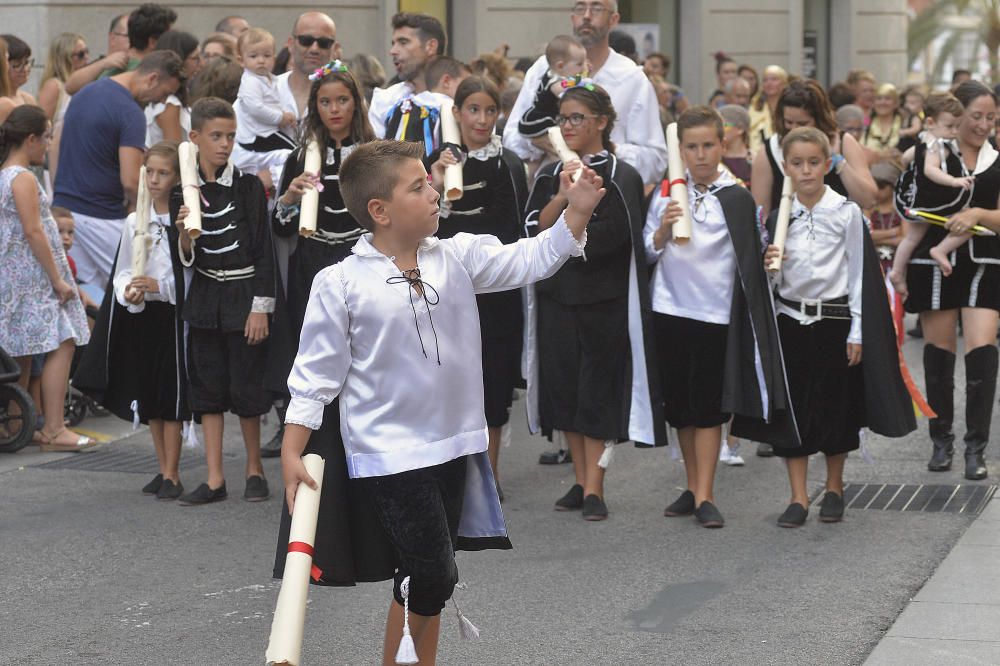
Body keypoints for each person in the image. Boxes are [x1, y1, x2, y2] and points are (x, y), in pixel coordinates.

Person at [275, 139, 600, 665]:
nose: (434, 193)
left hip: (455, 446)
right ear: (379, 211)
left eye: (430, 182)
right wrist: (293, 452)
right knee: (433, 572)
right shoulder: (339, 283)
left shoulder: (457, 256)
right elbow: (315, 376)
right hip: (389, 454)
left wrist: (576, 212)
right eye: (418, 186)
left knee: (424, 578)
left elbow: (531, 259)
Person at [645, 106, 792, 527]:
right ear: (681, 151)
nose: (701, 154)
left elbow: (753, 253)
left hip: (714, 314)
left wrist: (770, 257)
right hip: (670, 309)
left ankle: (707, 492)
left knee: (709, 408)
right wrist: (660, 232)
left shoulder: (738, 196)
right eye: (691, 147)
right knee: (681, 407)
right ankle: (691, 487)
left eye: (708, 145)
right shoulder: (666, 192)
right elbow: (647, 251)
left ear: (723, 146)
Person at [525, 82, 665, 520]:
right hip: (557, 297)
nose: (567, 126)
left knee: (596, 390)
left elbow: (618, 236)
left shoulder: (622, 173)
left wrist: (569, 237)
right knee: (564, 387)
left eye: (576, 118)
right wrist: (566, 197)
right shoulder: (551, 172)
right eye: (563, 118)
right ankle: (580, 479)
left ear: (601, 122)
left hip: (602, 298)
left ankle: (596, 486)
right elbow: (532, 228)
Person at [764, 127, 914, 527]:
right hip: (791, 320)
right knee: (794, 410)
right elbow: (773, 283)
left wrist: (858, 332)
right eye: (797, 163)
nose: (807, 171)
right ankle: (798, 496)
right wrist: (770, 269)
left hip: (834, 321)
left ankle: (833, 486)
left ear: (828, 164)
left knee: (836, 408)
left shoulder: (846, 213)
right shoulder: (781, 215)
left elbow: (859, 276)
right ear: (785, 166)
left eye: (814, 162)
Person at [262, 60, 376, 459]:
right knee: (314, 345)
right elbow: (280, 228)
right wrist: (290, 199)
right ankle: (311, 430)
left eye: (342, 100)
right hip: (314, 259)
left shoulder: (375, 155)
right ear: (316, 107)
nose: (334, 109)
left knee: (362, 344)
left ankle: (363, 428)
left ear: (356, 104)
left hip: (362, 257)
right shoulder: (301, 156)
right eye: (325, 102)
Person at [427, 76, 528, 496]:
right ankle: (447, 470)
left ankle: (489, 472)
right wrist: (437, 184)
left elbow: (509, 228)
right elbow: (423, 223)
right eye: (473, 110)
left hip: (493, 289)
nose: (482, 119)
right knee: (446, 377)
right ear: (456, 114)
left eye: (490, 110)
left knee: (492, 378)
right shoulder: (436, 160)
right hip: (445, 288)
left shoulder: (508, 163)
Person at [172, 97, 275, 505]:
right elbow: (183, 256)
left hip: (244, 294)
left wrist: (260, 307)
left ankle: (254, 468)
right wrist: (183, 231)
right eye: (216, 136)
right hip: (206, 296)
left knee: (247, 387)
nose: (224, 144)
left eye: (230, 136)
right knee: (208, 388)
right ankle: (215, 478)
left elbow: (263, 250)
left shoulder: (248, 186)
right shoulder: (184, 190)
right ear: (194, 138)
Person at [74, 142, 190, 499]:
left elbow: (188, 269)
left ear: (177, 177)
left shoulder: (181, 219)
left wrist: (160, 285)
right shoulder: (133, 220)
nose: (154, 180)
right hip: (144, 314)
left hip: (171, 312)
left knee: (170, 397)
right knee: (150, 395)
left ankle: (173, 472)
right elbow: (122, 270)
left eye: (163, 173)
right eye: (149, 172)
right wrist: (128, 291)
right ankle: (161, 468)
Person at [904, 81, 1000, 480]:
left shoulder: (996, 157)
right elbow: (904, 198)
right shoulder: (931, 152)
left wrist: (978, 213)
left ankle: (976, 446)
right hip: (933, 260)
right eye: (975, 116)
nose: (982, 125)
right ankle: (940, 440)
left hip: (984, 261)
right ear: (955, 114)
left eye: (990, 117)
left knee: (982, 350)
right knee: (939, 354)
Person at [0, 105, 94, 452]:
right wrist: (57, 278)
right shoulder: (21, 177)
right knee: (63, 340)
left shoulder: (8, 176)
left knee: (23, 353)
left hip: (18, 277)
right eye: (47, 137)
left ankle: (16, 424)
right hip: (31, 278)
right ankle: (54, 427)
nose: (48, 144)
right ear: (30, 139)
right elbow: (33, 230)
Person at [53, 50, 184, 291]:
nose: (160, 101)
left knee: (87, 293)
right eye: (164, 93)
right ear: (152, 78)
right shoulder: (130, 112)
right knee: (136, 286)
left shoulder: (86, 92)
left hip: (66, 211)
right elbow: (131, 181)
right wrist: (151, 214)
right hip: (101, 216)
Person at [503, 0, 667, 185]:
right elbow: (510, 139)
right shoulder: (543, 69)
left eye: (596, 8)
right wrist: (537, 141)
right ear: (573, 18)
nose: (587, 16)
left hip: (607, 196)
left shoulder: (632, 78)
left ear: (613, 19)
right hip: (550, 196)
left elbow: (656, 161)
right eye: (581, 8)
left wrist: (603, 149)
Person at [231, 12, 336, 181]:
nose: (314, 48)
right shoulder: (261, 88)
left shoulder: (344, 98)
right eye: (306, 40)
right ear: (290, 44)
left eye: (324, 43)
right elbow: (235, 145)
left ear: (334, 49)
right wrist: (265, 177)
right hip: (266, 201)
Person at [751, 78, 877, 217]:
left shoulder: (843, 142)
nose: (794, 129)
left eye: (802, 123)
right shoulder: (770, 149)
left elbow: (869, 200)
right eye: (789, 122)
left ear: (819, 118)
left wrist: (838, 161)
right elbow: (761, 214)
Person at [890, 92, 975, 294]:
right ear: (930, 122)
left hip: (921, 197)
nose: (954, 132)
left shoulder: (923, 140)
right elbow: (930, 169)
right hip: (935, 199)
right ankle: (940, 250)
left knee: (911, 238)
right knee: (968, 223)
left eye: (957, 126)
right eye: (949, 126)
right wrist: (954, 181)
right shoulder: (936, 146)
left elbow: (906, 158)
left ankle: (897, 271)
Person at [368, 12, 446, 139]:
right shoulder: (385, 100)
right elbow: (373, 154)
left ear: (431, 46)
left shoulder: (457, 99)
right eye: (393, 43)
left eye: (403, 42)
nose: (393, 51)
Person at [65, 3, 177, 92]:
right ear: (152, 42)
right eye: (169, 37)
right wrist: (102, 64)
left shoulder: (113, 66)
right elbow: (70, 87)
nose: (172, 43)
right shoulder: (149, 74)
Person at [233, 28, 297, 181]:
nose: (261, 60)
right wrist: (280, 117)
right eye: (253, 56)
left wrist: (285, 115)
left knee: (292, 152)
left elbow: (274, 102)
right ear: (241, 60)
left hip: (267, 131)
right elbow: (256, 108)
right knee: (295, 152)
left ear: (274, 58)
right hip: (257, 135)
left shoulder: (270, 79)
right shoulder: (250, 81)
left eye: (267, 56)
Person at [515, 34, 588, 170]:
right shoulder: (555, 81)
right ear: (560, 66)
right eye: (579, 64)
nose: (584, 68)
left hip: (546, 119)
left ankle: (532, 178)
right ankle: (565, 167)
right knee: (557, 146)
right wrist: (581, 82)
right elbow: (563, 91)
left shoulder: (552, 74)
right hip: (539, 120)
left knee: (540, 158)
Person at [37, 33, 90, 187]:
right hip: (57, 162)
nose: (86, 58)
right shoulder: (54, 86)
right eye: (80, 54)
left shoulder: (84, 85)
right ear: (64, 57)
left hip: (78, 158)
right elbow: (41, 126)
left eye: (87, 52)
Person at [145, 30, 201, 145]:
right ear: (180, 60)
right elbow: (175, 153)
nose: (201, 63)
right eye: (195, 58)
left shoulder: (171, 100)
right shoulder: (170, 104)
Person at [867, 161, 905, 276]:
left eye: (881, 186)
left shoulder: (901, 208)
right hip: (873, 263)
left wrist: (876, 239)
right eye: (873, 185)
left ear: (893, 186)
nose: (877, 190)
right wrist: (893, 232)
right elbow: (866, 236)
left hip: (899, 263)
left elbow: (905, 239)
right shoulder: (868, 207)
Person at [747, 65, 787, 154]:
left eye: (774, 79)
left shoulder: (789, 106)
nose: (769, 83)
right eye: (765, 80)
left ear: (784, 83)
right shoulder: (755, 106)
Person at [863, 83, 903, 159]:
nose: (882, 102)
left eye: (887, 98)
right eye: (879, 98)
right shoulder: (866, 120)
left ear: (895, 103)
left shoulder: (905, 122)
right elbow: (859, 145)